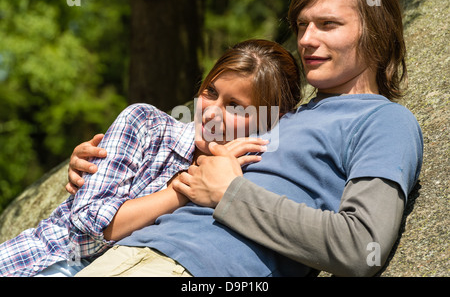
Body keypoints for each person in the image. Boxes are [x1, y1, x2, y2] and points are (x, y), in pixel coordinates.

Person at [70, 0, 423, 277]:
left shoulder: (384, 121)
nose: (306, 39)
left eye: (328, 24)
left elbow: (362, 245)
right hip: (124, 256)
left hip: (196, 270)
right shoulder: (280, 115)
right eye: (302, 25)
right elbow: (172, 157)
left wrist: (230, 193)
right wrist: (95, 165)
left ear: (377, 32)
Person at [0, 39, 301, 277]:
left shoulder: (254, 171)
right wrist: (184, 189)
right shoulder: (144, 124)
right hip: (40, 262)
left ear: (268, 120)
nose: (210, 112)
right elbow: (87, 231)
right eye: (210, 91)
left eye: (235, 106)